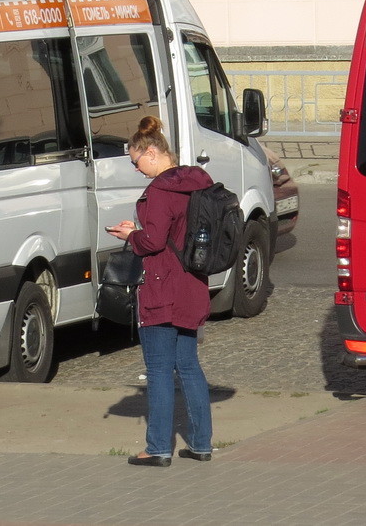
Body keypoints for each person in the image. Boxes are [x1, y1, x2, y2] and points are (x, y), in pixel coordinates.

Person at [106, 115, 215, 467]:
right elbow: (173, 232)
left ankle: (157, 448)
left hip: (161, 286)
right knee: (188, 365)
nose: (136, 169)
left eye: (136, 161)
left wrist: (130, 236)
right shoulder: (195, 183)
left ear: (151, 152)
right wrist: (139, 229)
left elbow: (152, 241)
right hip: (192, 282)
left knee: (157, 368)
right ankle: (200, 443)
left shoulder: (159, 191)